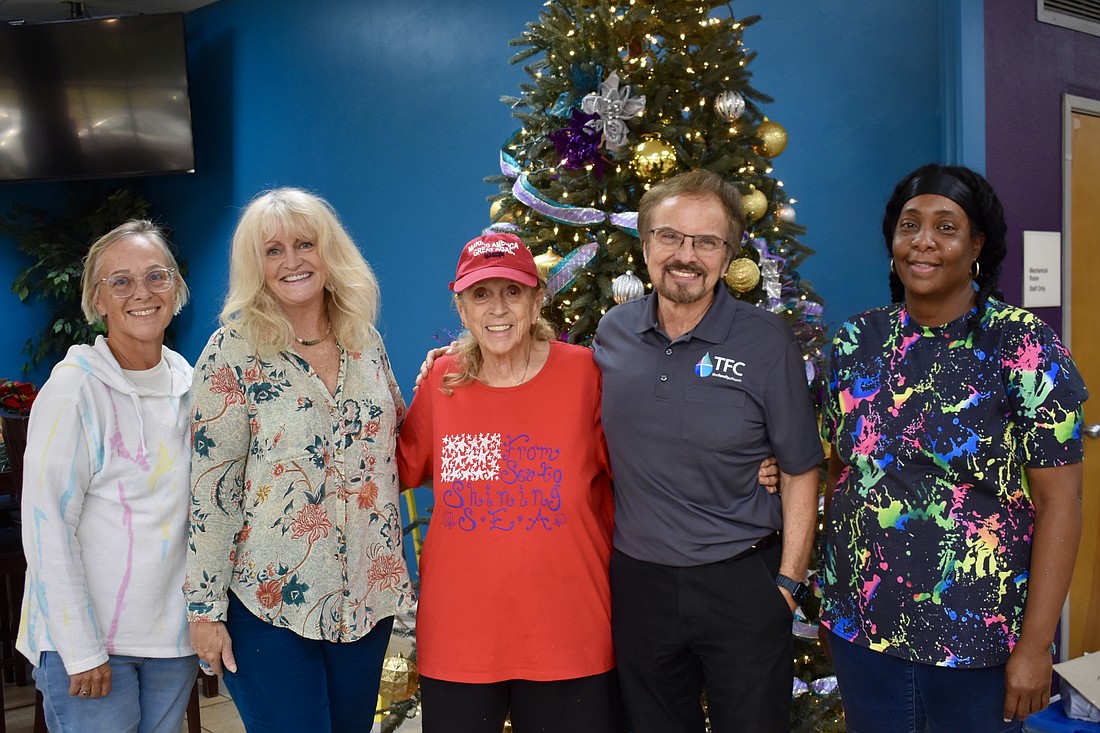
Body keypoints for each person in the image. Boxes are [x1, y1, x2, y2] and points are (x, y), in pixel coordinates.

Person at [819, 163, 1088, 733]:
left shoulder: (1023, 347)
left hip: (978, 643)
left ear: (977, 246)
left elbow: (1061, 503)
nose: (923, 241)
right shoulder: (854, 341)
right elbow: (839, 467)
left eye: (946, 227)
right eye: (909, 225)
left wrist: (1036, 648)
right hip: (863, 631)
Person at [592, 168, 824, 733]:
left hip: (741, 583)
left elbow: (799, 468)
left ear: (727, 255)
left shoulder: (767, 342)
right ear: (646, 245)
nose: (686, 255)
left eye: (706, 241)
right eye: (670, 236)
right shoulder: (612, 333)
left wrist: (787, 586)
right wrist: (462, 357)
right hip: (639, 586)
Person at [185, 188, 413, 733]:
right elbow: (213, 491)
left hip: (364, 597)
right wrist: (204, 610)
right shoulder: (230, 352)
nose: (292, 261)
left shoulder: (366, 342)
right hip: (268, 604)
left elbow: (399, 444)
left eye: (305, 244)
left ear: (328, 251)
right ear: (254, 266)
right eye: (273, 250)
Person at [397, 232, 624, 733]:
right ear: (461, 308)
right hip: (460, 642)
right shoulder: (442, 382)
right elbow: (392, 468)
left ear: (537, 299)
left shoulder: (588, 374)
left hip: (571, 638)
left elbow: (643, 471)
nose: (497, 308)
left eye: (512, 291)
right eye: (480, 294)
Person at [17, 220, 197, 732]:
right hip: (92, 647)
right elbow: (46, 523)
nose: (141, 292)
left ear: (176, 288)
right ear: (97, 300)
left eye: (156, 276)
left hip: (170, 640)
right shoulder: (74, 390)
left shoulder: (190, 384)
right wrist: (79, 647)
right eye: (120, 281)